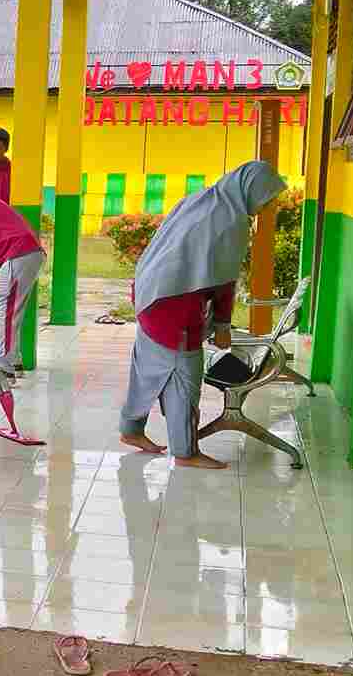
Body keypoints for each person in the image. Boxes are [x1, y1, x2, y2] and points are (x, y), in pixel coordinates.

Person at [119, 161, 286, 469]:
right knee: (185, 376)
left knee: (147, 365)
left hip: (150, 293)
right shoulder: (231, 221)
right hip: (174, 306)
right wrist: (222, 323)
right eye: (269, 198)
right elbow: (223, 282)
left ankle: (131, 430)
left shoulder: (203, 199)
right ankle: (185, 452)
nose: (270, 206)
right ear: (252, 190)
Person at [0, 191, 46, 379]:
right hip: (26, 254)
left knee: (6, 312)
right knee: (11, 312)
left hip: (17, 254)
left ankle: (3, 368)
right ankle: (13, 360)